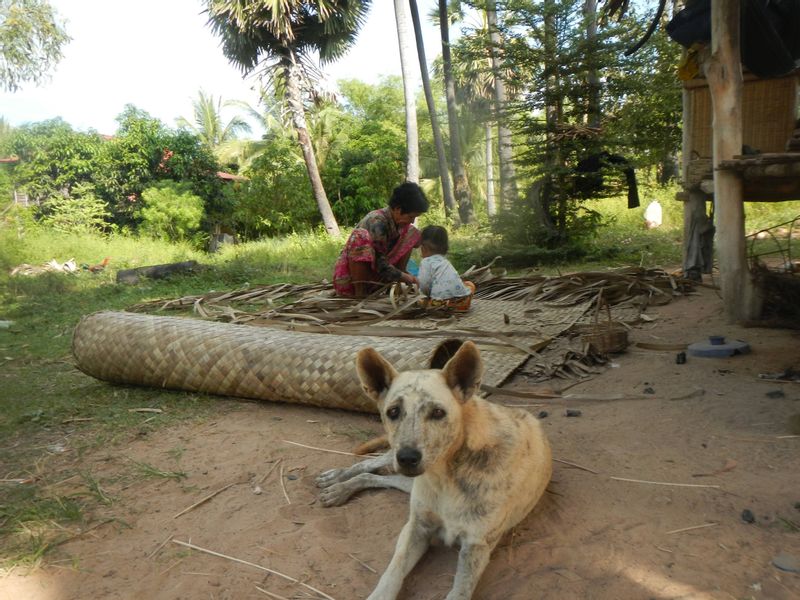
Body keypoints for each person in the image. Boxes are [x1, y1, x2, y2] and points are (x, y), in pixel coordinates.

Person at [333, 182, 429, 297]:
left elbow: (417, 240)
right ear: (398, 209)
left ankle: (396, 286)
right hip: (353, 282)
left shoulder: (400, 225)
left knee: (412, 233)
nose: (412, 221)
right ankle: (361, 294)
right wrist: (409, 278)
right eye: (410, 217)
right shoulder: (377, 222)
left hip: (378, 278)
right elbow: (381, 265)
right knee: (360, 238)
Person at [417, 225, 476, 311]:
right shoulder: (444, 260)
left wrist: (424, 295)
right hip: (462, 301)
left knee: (420, 300)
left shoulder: (426, 262)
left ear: (423, 248)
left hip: (439, 304)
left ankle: (443, 304)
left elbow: (424, 284)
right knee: (470, 285)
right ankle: (459, 304)